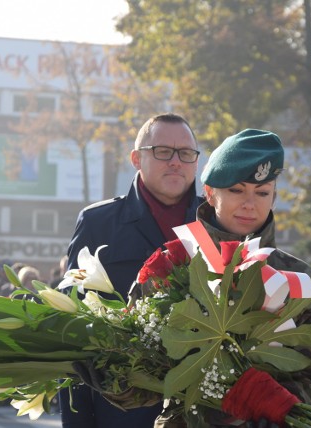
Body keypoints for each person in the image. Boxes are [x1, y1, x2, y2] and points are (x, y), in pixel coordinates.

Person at [154, 128, 311, 426]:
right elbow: (139, 378)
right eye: (237, 190)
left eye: (262, 193)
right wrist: (114, 375)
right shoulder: (174, 266)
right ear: (210, 193)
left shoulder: (298, 278)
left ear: (274, 197)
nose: (250, 203)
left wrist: (275, 407)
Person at [60, 113, 203, 428]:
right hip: (122, 411)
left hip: (202, 411)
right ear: (137, 158)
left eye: (186, 153)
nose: (176, 162)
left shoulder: (213, 224)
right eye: (163, 151)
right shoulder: (100, 223)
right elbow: (73, 331)